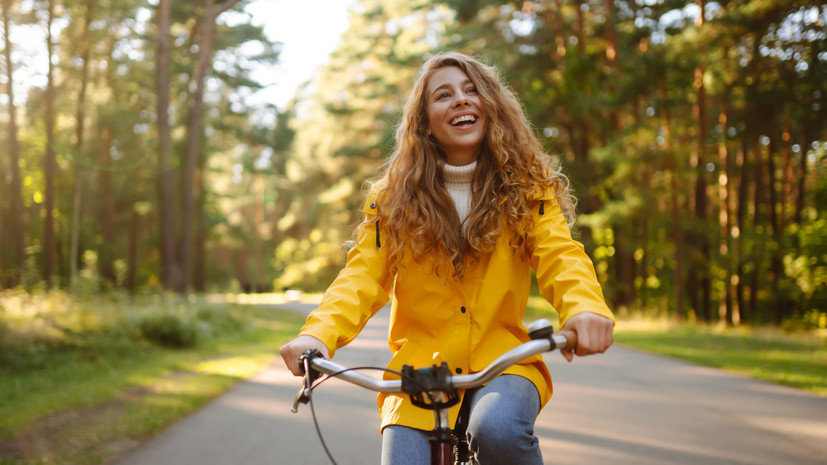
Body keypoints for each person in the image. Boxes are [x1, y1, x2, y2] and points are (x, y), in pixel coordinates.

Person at [280, 51, 615, 465]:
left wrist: (584, 309)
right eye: (443, 95)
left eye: (472, 90)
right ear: (424, 123)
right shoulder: (392, 201)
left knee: (497, 430)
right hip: (420, 371)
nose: (460, 99)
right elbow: (361, 276)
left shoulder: (528, 190)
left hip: (503, 363)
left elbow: (561, 256)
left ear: (491, 107)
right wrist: (317, 335)